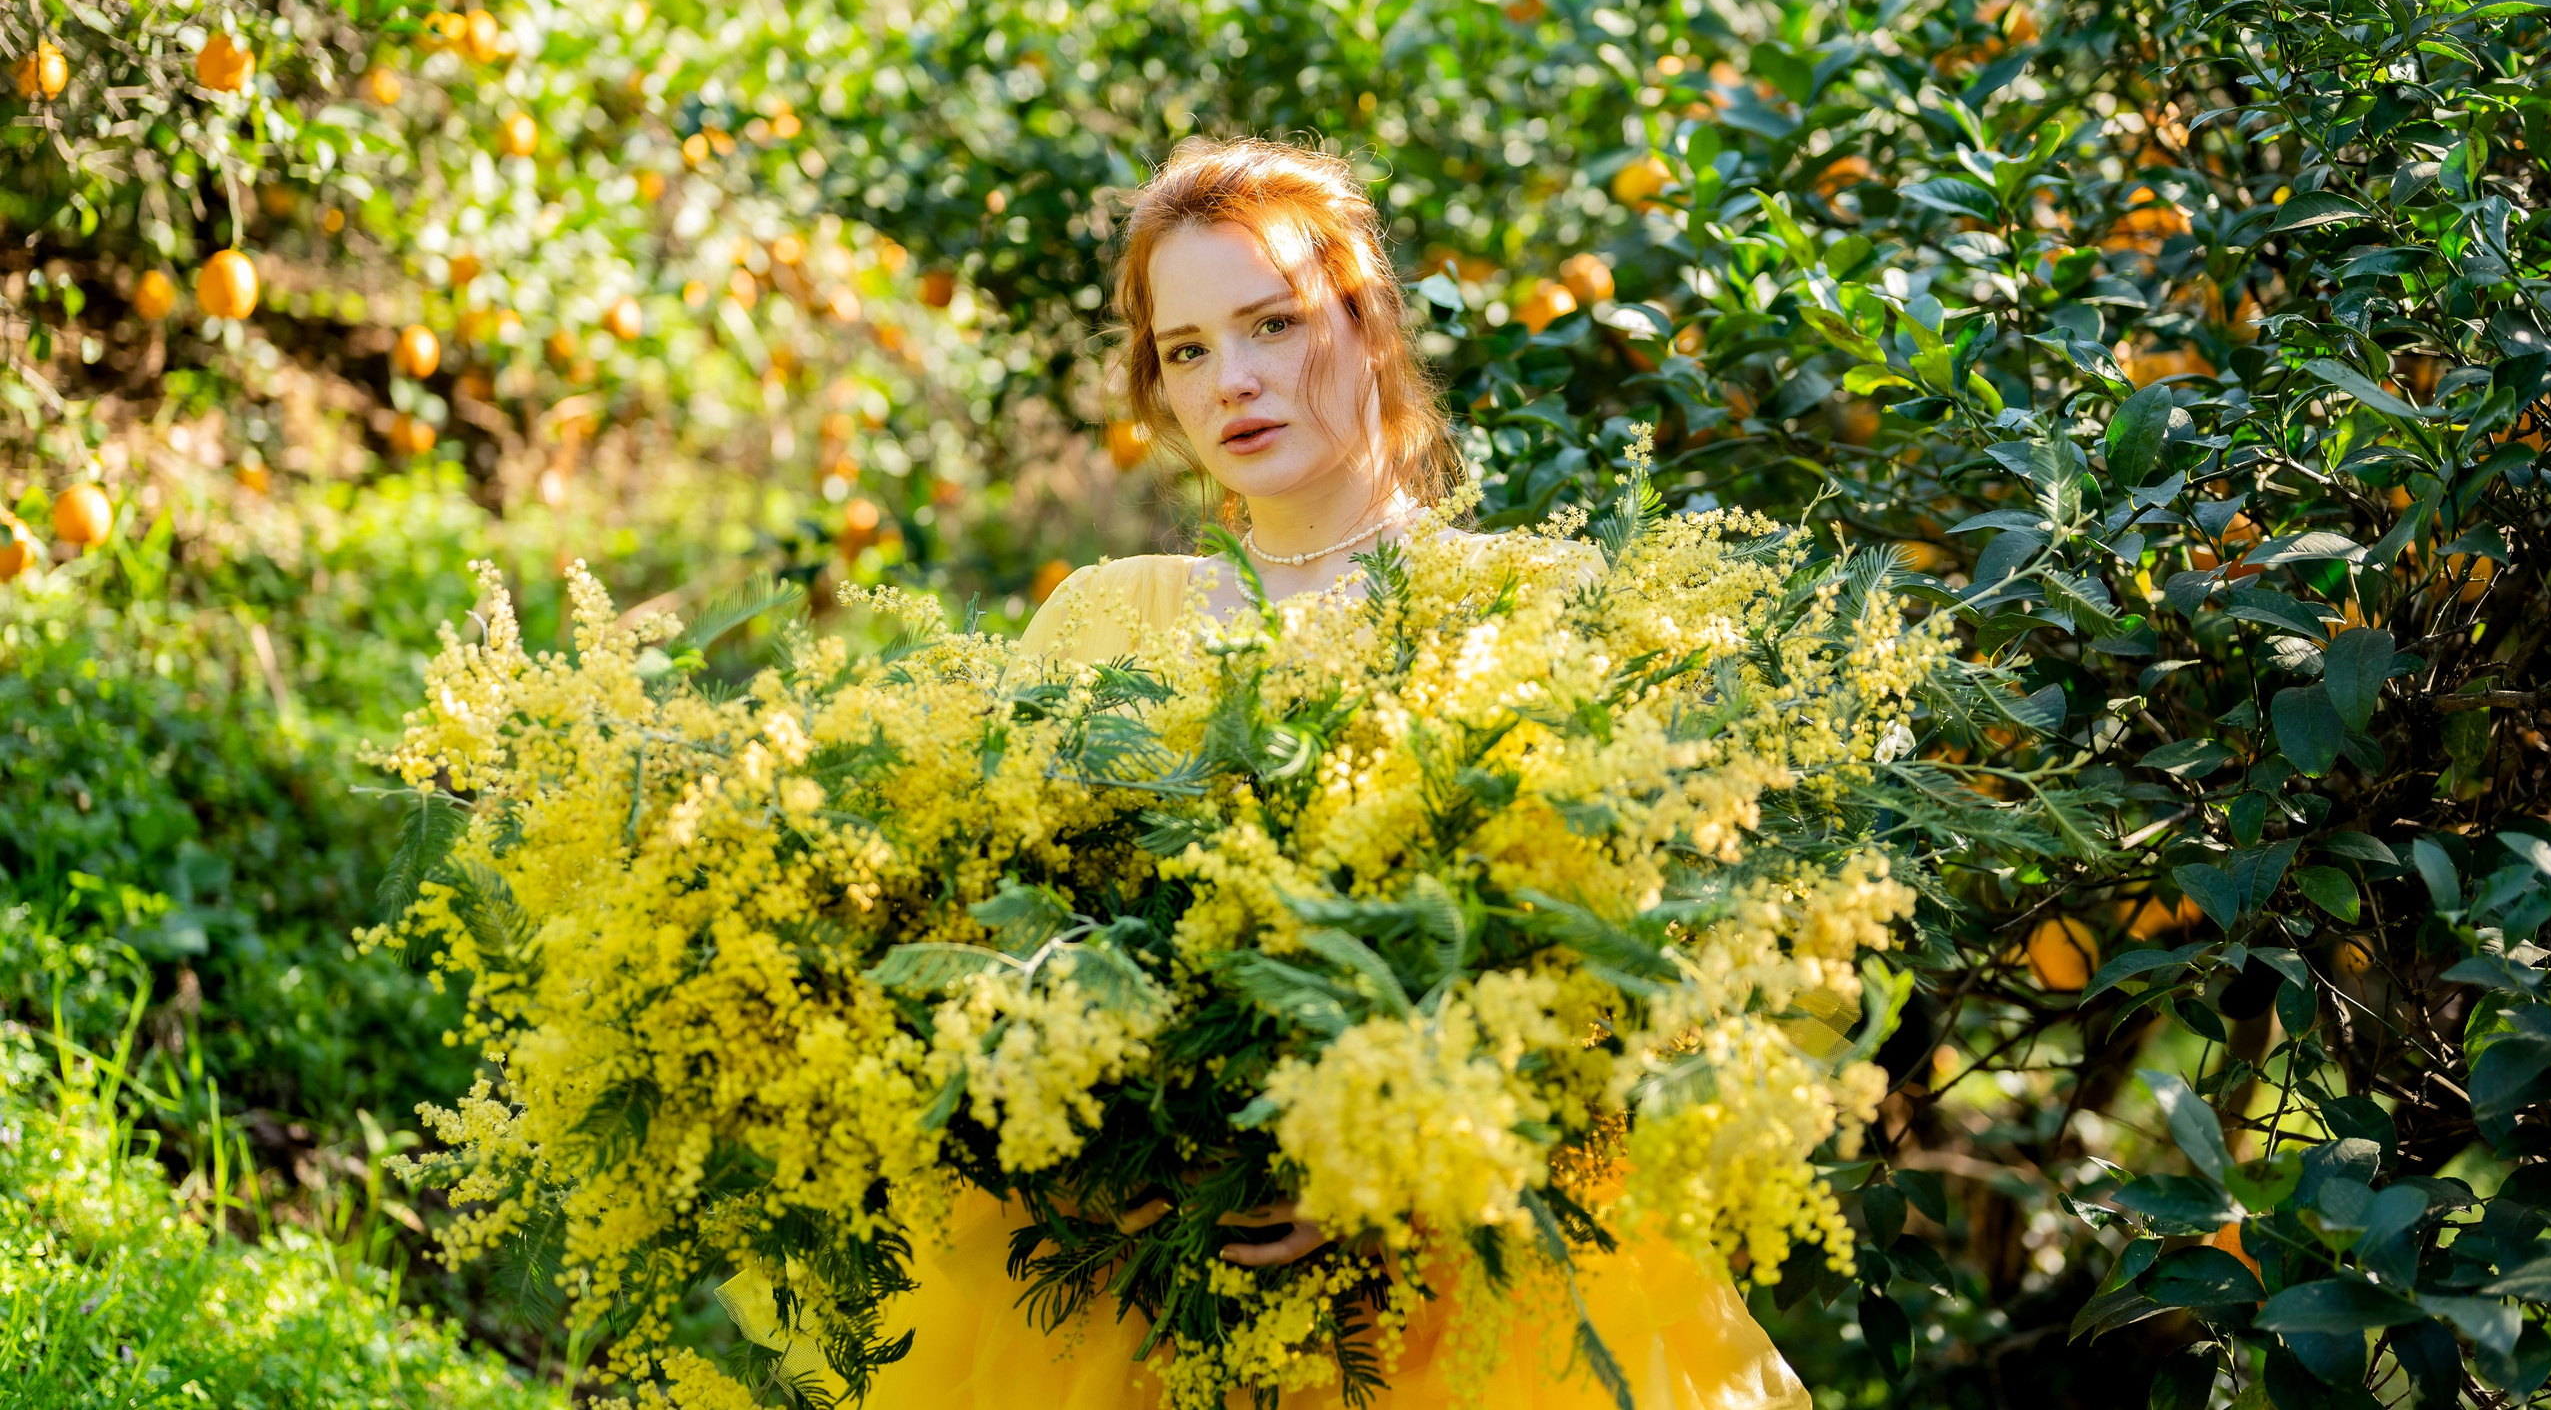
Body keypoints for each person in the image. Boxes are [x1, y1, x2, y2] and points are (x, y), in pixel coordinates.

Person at [724, 137, 1813, 1410]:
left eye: (1272, 323)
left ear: (1366, 321)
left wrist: (1389, 1145)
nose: (1230, 379)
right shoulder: (1100, 620)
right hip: (1125, 1283)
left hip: (1453, 1296)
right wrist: (1099, 1136)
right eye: (1185, 349)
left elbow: (1629, 983)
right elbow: (974, 940)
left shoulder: (1533, 605)